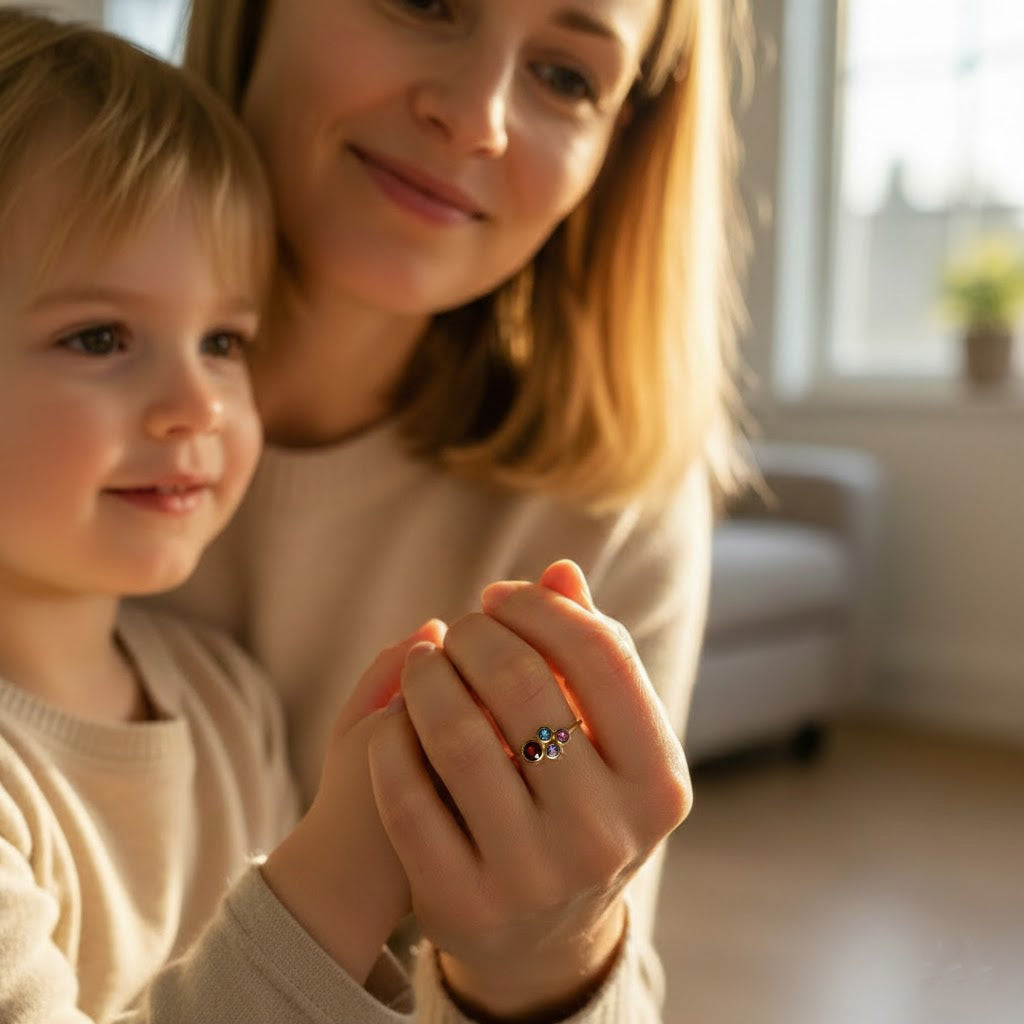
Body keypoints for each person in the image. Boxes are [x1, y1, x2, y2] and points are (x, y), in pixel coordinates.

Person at [158, 1, 751, 1022]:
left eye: (567, 77)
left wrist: (552, 963)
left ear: (618, 145)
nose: (476, 116)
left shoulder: (606, 509)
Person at [0, 10, 451, 1021]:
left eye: (224, 341)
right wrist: (339, 871)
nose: (199, 404)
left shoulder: (227, 700)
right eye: (100, 335)